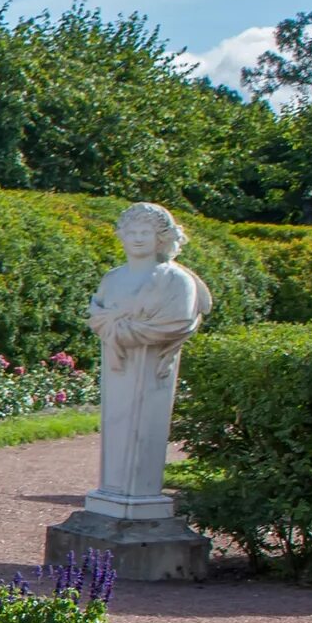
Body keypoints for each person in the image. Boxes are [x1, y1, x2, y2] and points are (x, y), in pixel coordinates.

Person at [89, 201, 212, 506]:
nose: (138, 238)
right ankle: (113, 495)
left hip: (153, 367)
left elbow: (176, 323)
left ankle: (139, 499)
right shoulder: (112, 279)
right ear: (122, 236)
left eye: (146, 231)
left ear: (162, 238)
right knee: (117, 429)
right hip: (118, 367)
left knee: (142, 430)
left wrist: (121, 329)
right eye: (132, 232)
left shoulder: (176, 281)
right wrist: (114, 328)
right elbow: (98, 316)